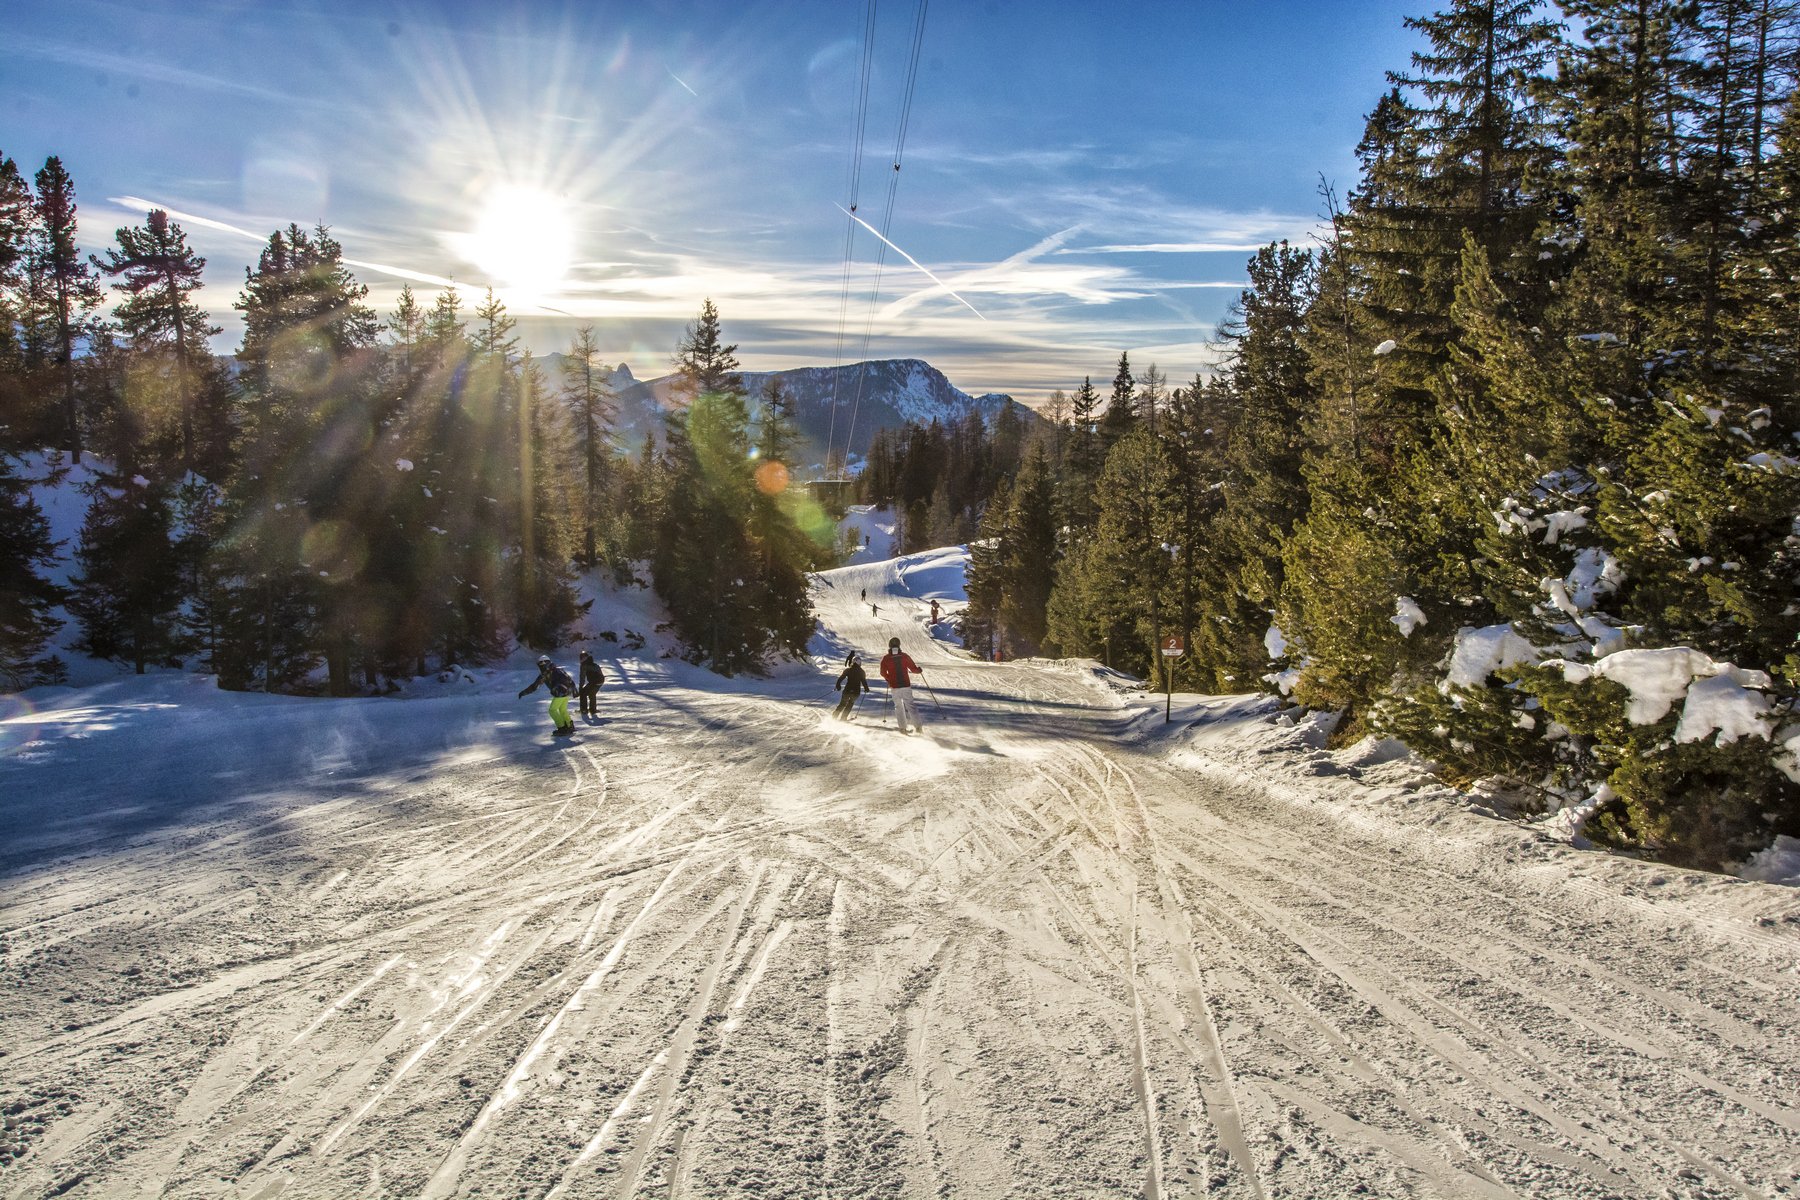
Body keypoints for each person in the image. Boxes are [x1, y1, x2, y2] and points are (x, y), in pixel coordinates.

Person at [519, 654, 577, 737]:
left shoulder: (546, 673)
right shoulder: (558, 670)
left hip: (560, 694)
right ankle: (569, 726)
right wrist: (574, 691)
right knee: (562, 709)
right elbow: (570, 680)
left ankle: (562, 728)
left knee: (552, 710)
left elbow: (535, 686)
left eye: (542, 664)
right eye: (540, 665)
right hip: (566, 693)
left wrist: (523, 693)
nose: (541, 666)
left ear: (545, 663)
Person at [879, 637, 924, 734]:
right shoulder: (904, 656)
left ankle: (902, 728)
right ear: (899, 645)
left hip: (894, 687)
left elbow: (882, 672)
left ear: (889, 646)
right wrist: (919, 670)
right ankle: (918, 728)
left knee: (898, 706)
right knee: (910, 705)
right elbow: (913, 669)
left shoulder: (886, 658)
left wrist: (889, 679)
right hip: (905, 685)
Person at [833, 653, 870, 720]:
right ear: (860, 663)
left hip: (847, 690)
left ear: (852, 662)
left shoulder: (848, 670)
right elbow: (863, 681)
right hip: (856, 692)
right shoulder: (862, 671)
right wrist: (866, 688)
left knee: (842, 704)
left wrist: (838, 686)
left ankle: (834, 717)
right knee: (850, 704)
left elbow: (841, 678)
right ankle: (843, 718)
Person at [578, 649, 605, 719]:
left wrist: (580, 687)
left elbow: (582, 677)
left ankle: (584, 710)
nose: (581, 660)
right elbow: (599, 672)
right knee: (592, 694)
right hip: (600, 681)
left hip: (595, 682)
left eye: (582, 658)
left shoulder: (584, 665)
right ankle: (592, 709)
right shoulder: (593, 663)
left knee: (583, 693)